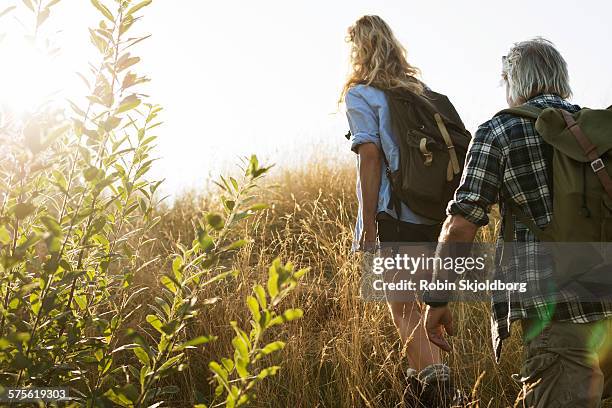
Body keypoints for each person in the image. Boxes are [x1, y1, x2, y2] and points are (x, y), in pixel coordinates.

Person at [424, 38, 612, 407]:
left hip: (558, 316)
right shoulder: (600, 129)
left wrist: (437, 300)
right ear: (562, 78)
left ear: (513, 83)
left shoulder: (500, 131)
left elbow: (460, 226)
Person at [341, 15, 463, 407]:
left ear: (358, 49)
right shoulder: (419, 91)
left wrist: (370, 223)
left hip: (394, 215)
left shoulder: (362, 94)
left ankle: (445, 396)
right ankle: (422, 395)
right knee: (426, 311)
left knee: (403, 311)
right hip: (433, 213)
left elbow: (370, 157)